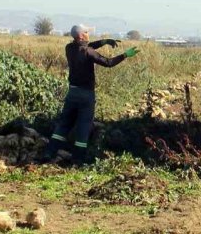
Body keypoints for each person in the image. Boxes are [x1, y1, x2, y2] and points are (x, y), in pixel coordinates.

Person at [41, 25, 140, 164]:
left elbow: (86, 47)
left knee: (64, 124)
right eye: (86, 32)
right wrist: (125, 55)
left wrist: (103, 41)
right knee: (84, 126)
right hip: (86, 95)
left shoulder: (69, 48)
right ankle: (78, 159)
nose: (88, 34)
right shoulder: (88, 52)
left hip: (72, 93)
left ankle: (49, 152)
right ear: (81, 36)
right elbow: (108, 62)